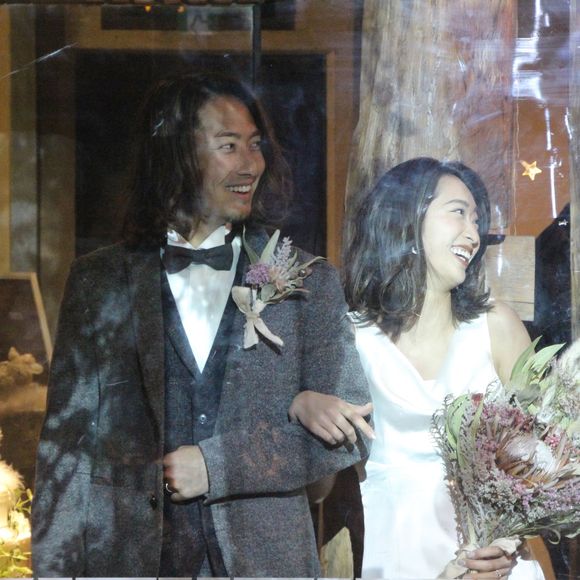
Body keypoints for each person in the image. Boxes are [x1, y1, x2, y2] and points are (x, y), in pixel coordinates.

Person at [31, 73, 372, 577]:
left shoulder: (307, 282)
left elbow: (354, 434)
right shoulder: (98, 282)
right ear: (175, 154)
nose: (251, 164)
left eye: (255, 145)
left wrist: (218, 465)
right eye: (228, 146)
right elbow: (67, 453)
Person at [290, 158, 545, 579]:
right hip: (392, 553)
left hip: (491, 563)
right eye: (458, 212)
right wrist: (302, 406)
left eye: (476, 220)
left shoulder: (497, 326)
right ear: (406, 220)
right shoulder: (349, 339)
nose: (473, 234)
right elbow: (318, 491)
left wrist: (508, 540)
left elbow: (546, 463)